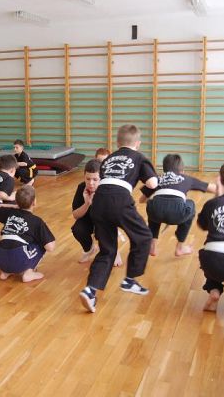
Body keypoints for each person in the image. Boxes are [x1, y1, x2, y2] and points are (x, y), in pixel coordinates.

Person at [79, 124, 158, 313]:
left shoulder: (109, 158)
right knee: (144, 236)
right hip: (119, 200)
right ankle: (130, 279)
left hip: (99, 202)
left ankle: (90, 290)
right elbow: (152, 183)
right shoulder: (139, 157)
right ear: (138, 143)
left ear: (117, 143)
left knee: (107, 250)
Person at [140, 154, 216, 257]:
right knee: (191, 204)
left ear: (164, 169)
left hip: (156, 213)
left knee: (153, 206)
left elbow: (141, 200)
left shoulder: (157, 178)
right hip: (178, 214)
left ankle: (152, 246)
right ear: (182, 170)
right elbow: (212, 188)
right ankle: (179, 248)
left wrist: (159, 203)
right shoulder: (186, 178)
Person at [197, 160, 224, 315]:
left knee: (207, 250)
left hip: (213, 263)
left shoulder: (212, 203)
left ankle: (214, 289)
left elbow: (202, 225)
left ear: (220, 181)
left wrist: (217, 197)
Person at [0, 185, 55, 282]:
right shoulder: (36, 221)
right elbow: (50, 247)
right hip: (19, 258)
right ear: (34, 202)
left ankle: (6, 272)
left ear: (16, 202)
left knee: (10, 242)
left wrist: (14, 206)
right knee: (42, 243)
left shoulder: (10, 212)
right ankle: (28, 273)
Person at [72, 159, 123, 266]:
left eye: (95, 179)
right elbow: (75, 215)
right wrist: (87, 203)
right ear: (84, 177)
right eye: (88, 179)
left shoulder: (108, 189)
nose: (91, 183)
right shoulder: (81, 187)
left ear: (102, 178)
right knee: (77, 229)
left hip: (105, 220)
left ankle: (114, 251)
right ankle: (90, 249)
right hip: (88, 219)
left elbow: (115, 216)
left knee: (102, 232)